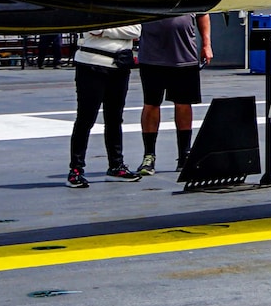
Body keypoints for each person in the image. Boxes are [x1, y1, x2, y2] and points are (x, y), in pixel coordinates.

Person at [136, 14, 212, 174]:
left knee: (184, 104)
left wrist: (207, 44)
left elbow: (203, 14)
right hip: (152, 56)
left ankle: (185, 155)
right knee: (151, 104)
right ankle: (149, 155)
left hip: (184, 55)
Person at [67, 25, 141, 187]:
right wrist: (118, 31)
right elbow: (91, 29)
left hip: (119, 64)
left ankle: (116, 165)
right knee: (86, 118)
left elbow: (135, 31)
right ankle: (76, 169)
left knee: (114, 118)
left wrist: (105, 32)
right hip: (91, 63)